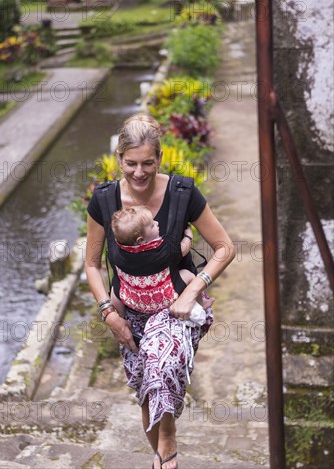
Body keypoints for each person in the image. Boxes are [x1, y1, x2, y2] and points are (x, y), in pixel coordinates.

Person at [85, 114, 235, 469]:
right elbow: (92, 264)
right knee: (145, 390)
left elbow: (225, 247)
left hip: (175, 310)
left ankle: (167, 444)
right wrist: (108, 312)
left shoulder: (183, 194)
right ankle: (162, 458)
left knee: (160, 365)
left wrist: (193, 290)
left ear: (160, 159)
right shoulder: (104, 201)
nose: (139, 172)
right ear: (119, 158)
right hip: (129, 313)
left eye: (148, 163)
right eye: (131, 163)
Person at [109, 205, 213, 323]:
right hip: (164, 298)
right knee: (189, 275)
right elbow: (184, 249)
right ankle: (201, 303)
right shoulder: (163, 250)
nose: (157, 223)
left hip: (134, 301)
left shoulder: (119, 253)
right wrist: (188, 235)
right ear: (141, 240)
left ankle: (122, 317)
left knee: (115, 288)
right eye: (152, 225)